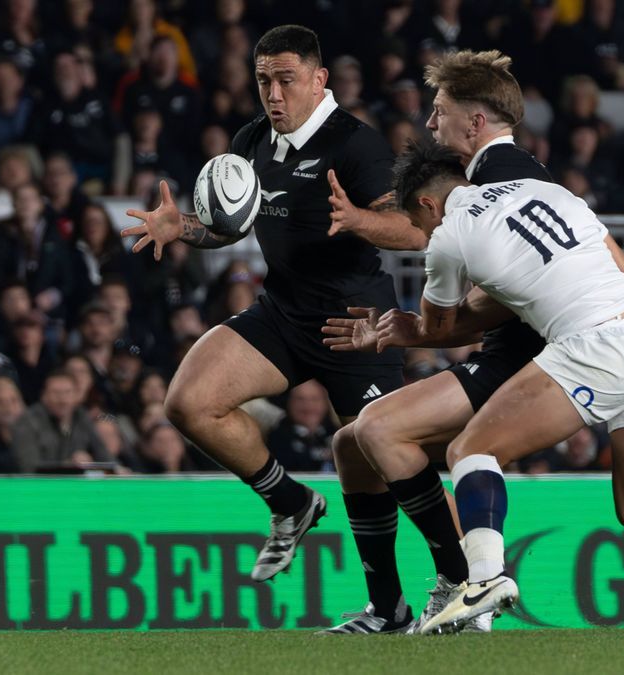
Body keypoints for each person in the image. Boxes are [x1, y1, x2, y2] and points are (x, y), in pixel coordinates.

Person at [333, 140, 624, 634]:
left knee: (471, 450)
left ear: (428, 204)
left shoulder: (449, 234)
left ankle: (483, 579)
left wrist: (399, 327)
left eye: (419, 224)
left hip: (595, 348)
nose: (423, 234)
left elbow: (438, 330)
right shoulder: (548, 191)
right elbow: (618, 267)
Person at [322, 48, 624, 634]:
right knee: (351, 443)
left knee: (376, 429)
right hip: (536, 353)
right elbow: (612, 274)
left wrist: (418, 330)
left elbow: (604, 278)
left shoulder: (505, 178)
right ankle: (389, 607)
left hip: (536, 362)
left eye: (440, 110)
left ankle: (464, 587)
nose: (429, 122)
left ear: (475, 122)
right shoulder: (500, 176)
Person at [120, 25, 424, 625]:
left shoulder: (356, 145)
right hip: (282, 313)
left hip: (352, 322)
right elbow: (233, 225)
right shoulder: (252, 139)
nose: (274, 94)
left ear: (319, 81)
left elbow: (414, 231)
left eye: (286, 80)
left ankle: (435, 593)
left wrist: (359, 219)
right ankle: (290, 502)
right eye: (264, 81)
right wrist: (181, 228)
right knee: (188, 402)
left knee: (378, 461)